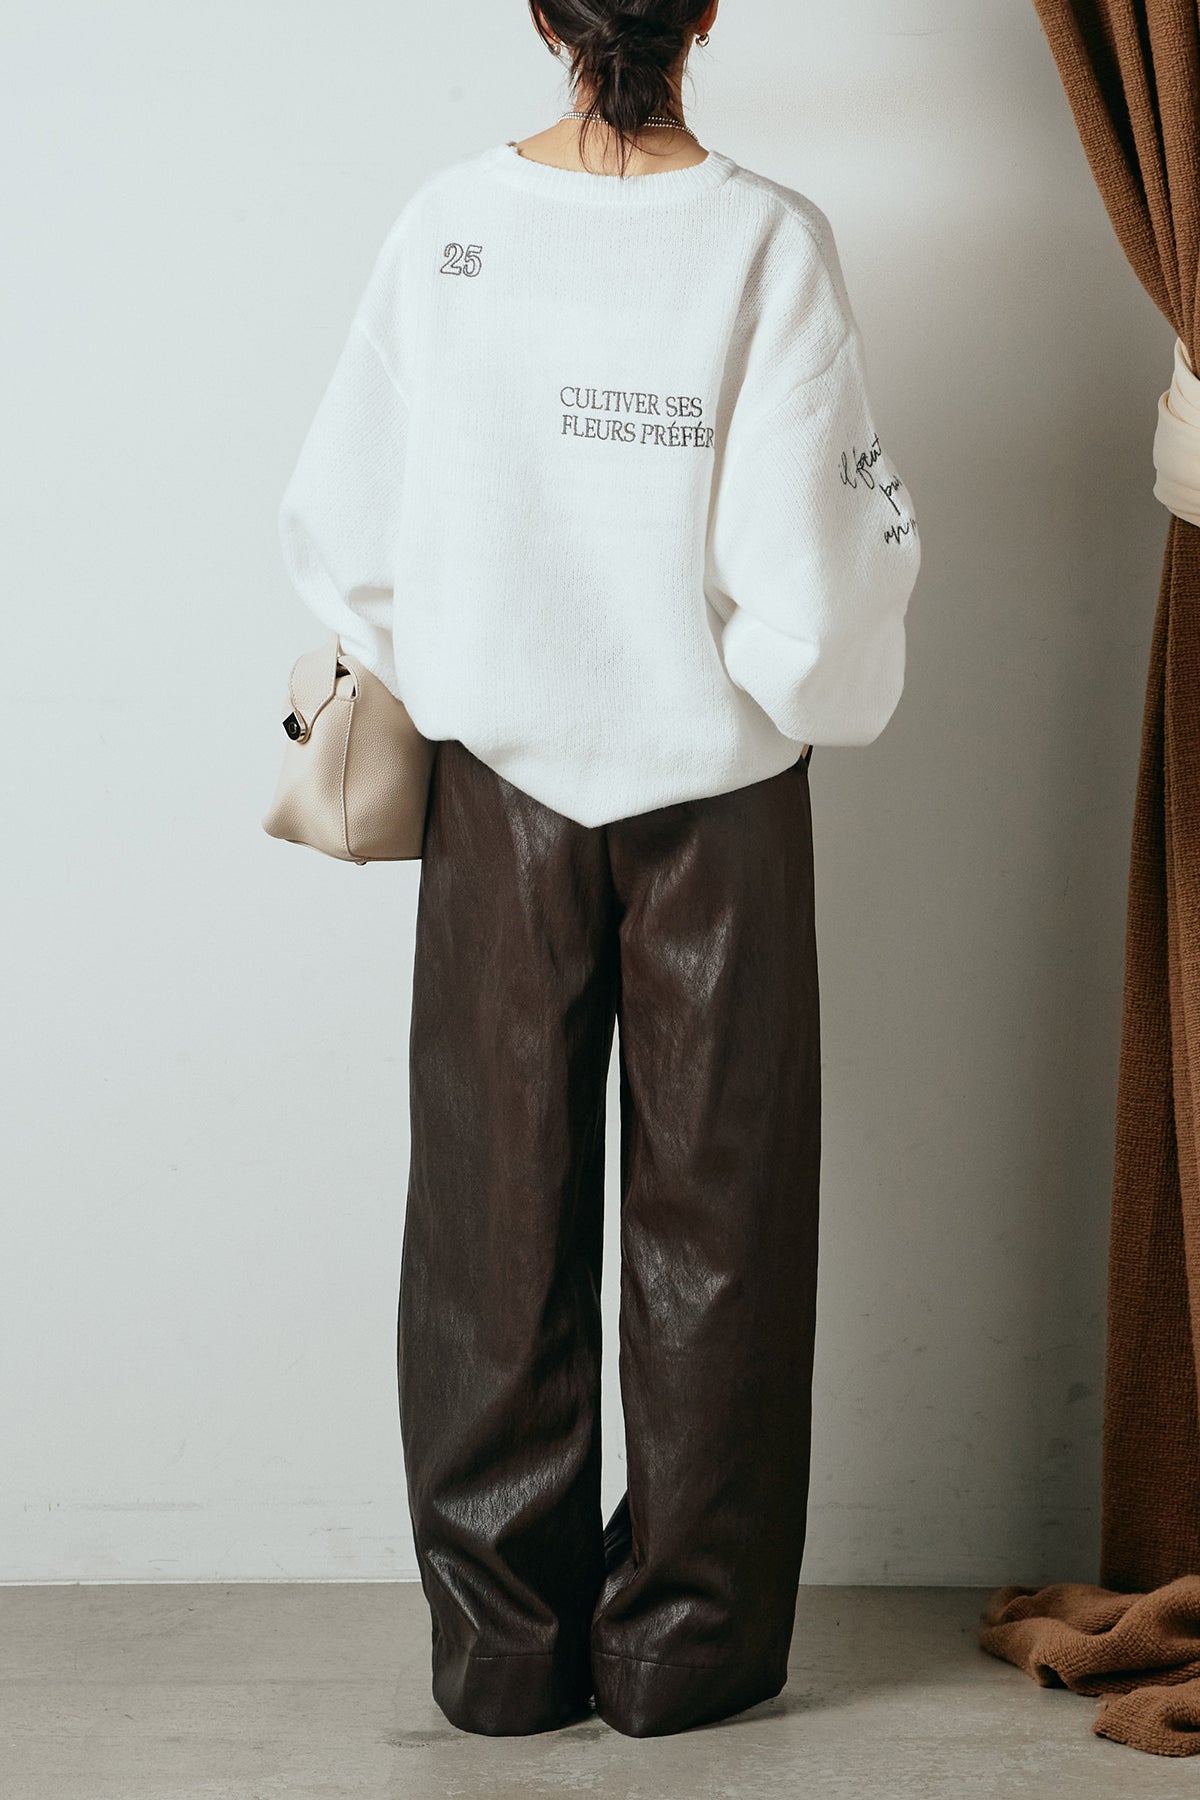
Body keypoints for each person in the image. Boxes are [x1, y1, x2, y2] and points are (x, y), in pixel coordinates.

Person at [276, 0, 921, 1743]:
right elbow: (820, 580)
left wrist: (487, 651)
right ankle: (682, 1649)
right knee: (722, 1224)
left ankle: (502, 1656)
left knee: (491, 1216)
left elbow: (350, 533)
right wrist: (789, 681)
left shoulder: (450, 228)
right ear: (704, 12)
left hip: (500, 792)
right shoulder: (767, 238)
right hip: (723, 795)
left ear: (545, 15)